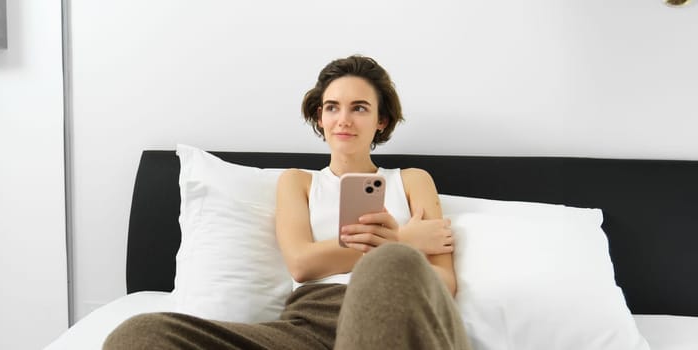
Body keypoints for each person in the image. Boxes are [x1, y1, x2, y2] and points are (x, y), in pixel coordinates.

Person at [104, 55, 471, 349]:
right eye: (332, 107)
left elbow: (445, 282)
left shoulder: (412, 180)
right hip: (307, 329)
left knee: (389, 265)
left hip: (399, 324)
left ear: (381, 120)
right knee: (140, 335)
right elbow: (302, 264)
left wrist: (392, 256)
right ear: (319, 116)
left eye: (359, 108)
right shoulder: (298, 182)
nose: (343, 119)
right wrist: (403, 241)